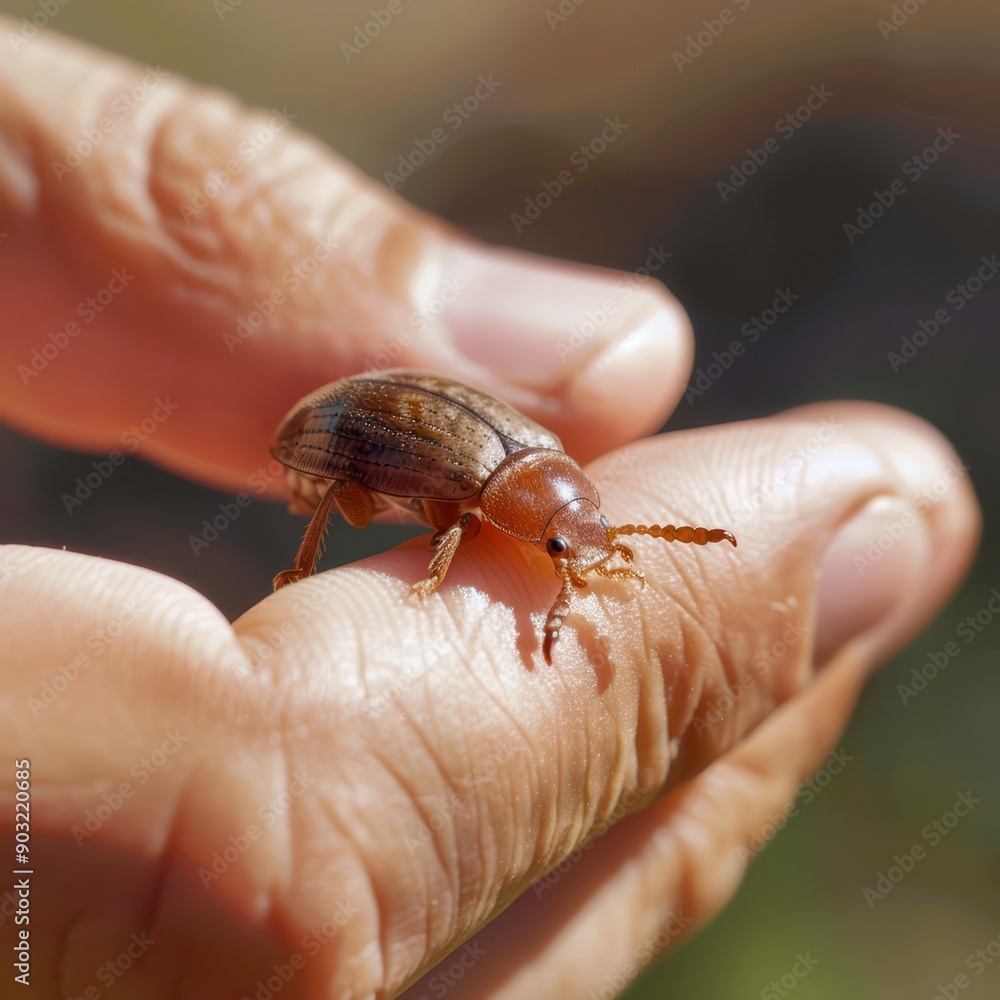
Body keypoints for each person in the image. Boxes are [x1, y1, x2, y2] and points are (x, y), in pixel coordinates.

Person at [0, 20, 980, 1000]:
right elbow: (437, 512)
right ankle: (296, 568)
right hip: (339, 440)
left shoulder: (538, 477)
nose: (574, 553)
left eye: (573, 537)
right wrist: (433, 569)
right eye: (563, 544)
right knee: (360, 514)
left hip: (442, 438)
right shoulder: (473, 502)